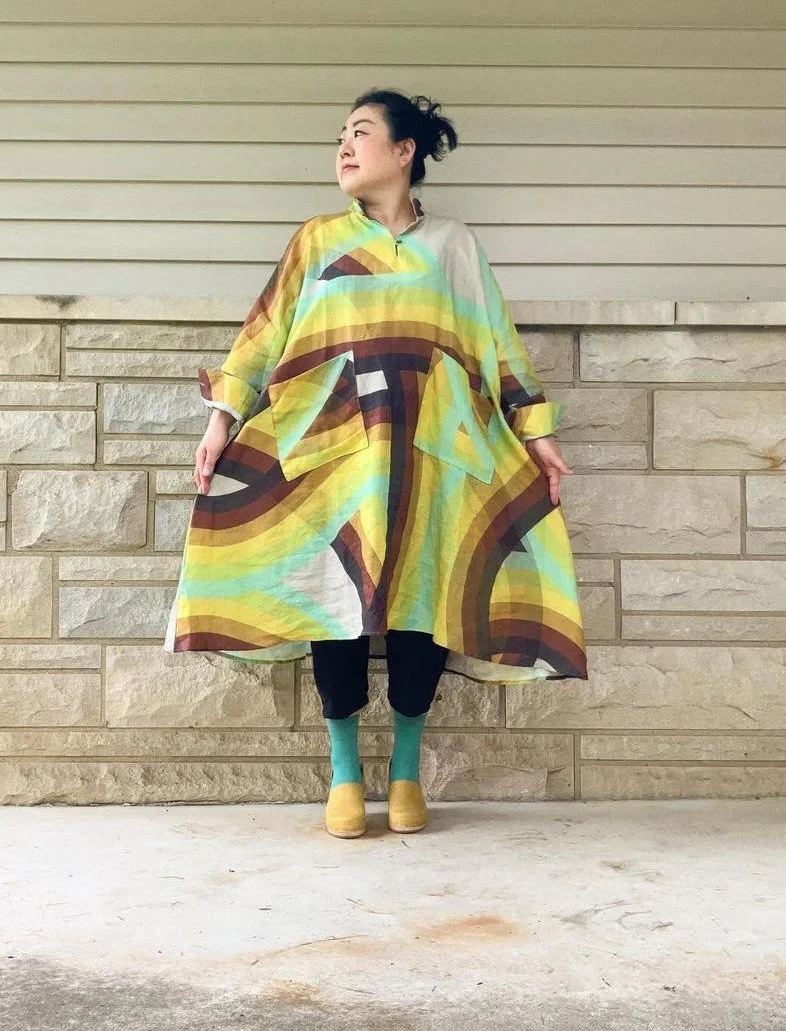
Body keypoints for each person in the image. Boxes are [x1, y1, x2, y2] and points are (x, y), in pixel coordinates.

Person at [163, 89, 586, 839]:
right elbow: (263, 338)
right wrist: (221, 423)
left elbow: (497, 344)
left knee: (425, 603)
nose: (344, 148)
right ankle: (346, 776)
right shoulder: (317, 240)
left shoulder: (453, 246)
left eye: (361, 133)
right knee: (338, 604)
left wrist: (536, 432)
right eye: (340, 137)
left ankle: (408, 775)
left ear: (405, 153)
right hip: (335, 458)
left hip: (434, 456)